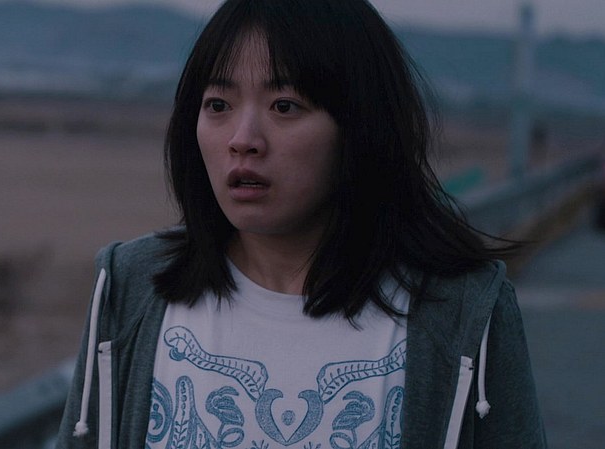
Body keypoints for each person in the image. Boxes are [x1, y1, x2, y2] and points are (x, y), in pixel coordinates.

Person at [57, 1, 547, 448]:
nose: (243, 139)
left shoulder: (459, 312)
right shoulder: (131, 288)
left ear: (361, 126)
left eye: (285, 106)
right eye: (218, 105)